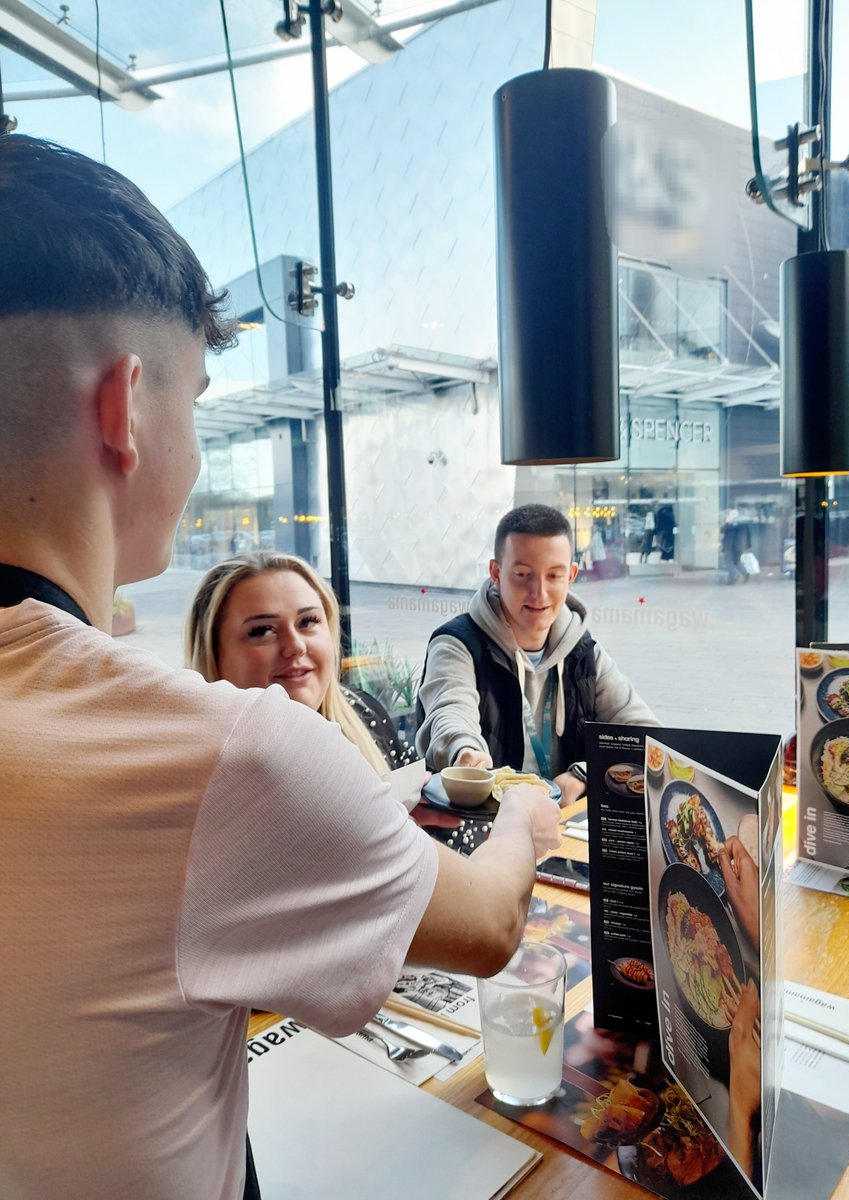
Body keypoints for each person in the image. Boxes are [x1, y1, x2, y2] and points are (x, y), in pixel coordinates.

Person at [0, 134, 561, 1200]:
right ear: (125, 408)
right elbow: (487, 929)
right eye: (197, 401)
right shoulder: (211, 753)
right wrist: (531, 819)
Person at [415, 504, 657, 807]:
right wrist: (464, 752)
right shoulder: (457, 644)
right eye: (522, 575)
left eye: (554, 576)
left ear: (570, 576)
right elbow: (449, 712)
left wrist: (585, 774)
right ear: (496, 573)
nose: (539, 593)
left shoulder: (584, 653)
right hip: (487, 832)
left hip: (558, 828)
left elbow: (647, 737)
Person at [186, 551, 414, 774]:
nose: (296, 646)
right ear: (213, 654)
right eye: (262, 630)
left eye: (307, 621)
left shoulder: (364, 712)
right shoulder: (201, 774)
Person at [721, 508, 751, 584]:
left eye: (730, 515)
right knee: (736, 561)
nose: (728, 516)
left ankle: (733, 576)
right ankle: (745, 574)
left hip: (731, 546)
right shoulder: (742, 524)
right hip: (738, 546)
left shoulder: (734, 524)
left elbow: (723, 530)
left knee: (728, 561)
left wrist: (727, 522)